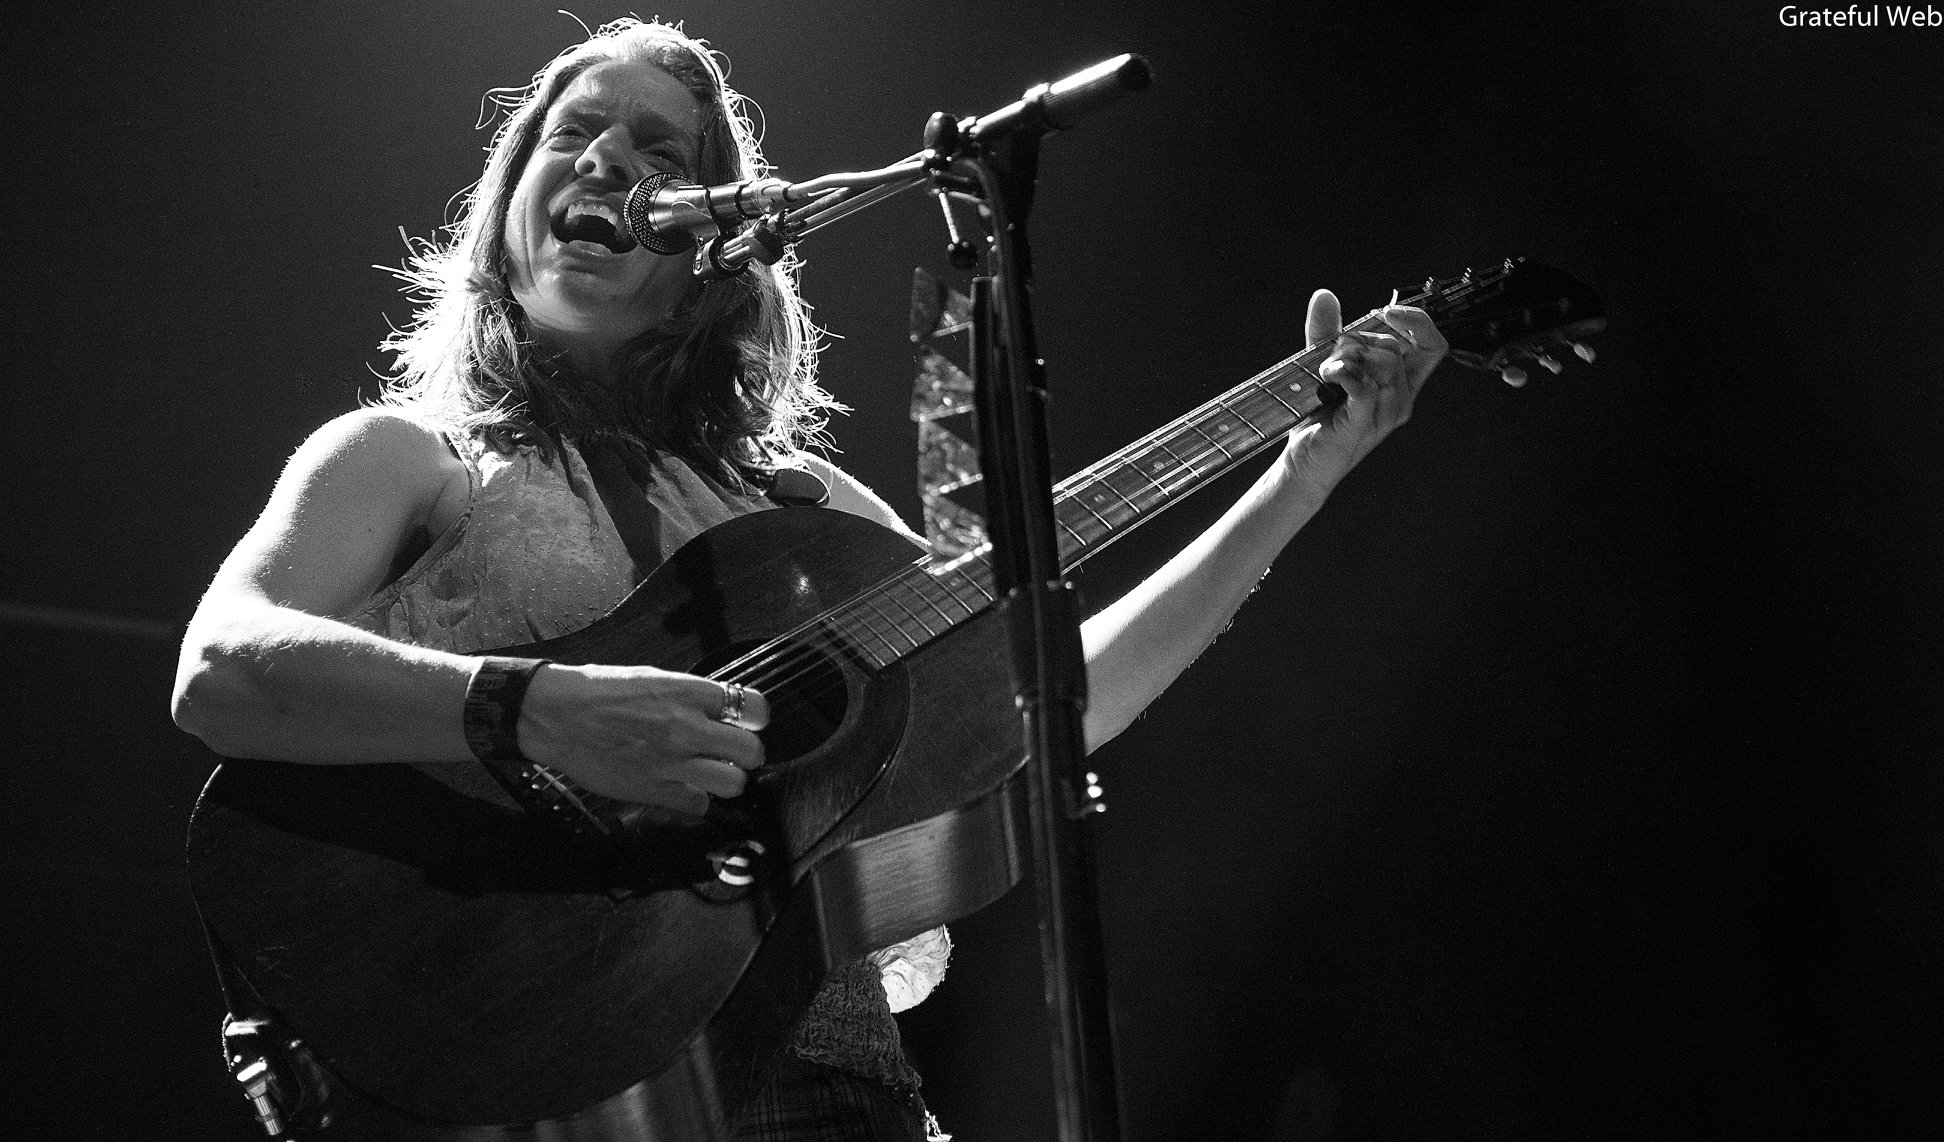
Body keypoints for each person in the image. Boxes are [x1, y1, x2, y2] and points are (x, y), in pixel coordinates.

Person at [171, 17, 1446, 1142]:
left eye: (663, 154)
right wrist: (536, 710)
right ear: (511, 201)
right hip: (519, 1078)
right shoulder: (406, 458)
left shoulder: (813, 518)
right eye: (576, 133)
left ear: (717, 246)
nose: (610, 162)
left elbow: (1044, 707)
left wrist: (1297, 481)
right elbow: (224, 668)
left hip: (822, 1088)